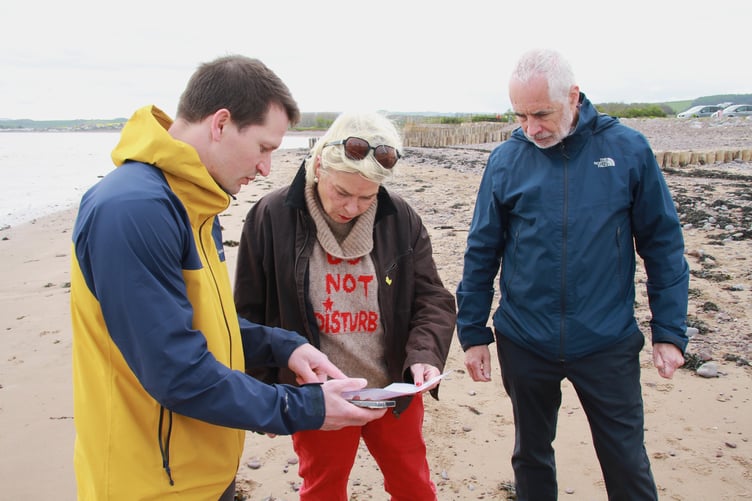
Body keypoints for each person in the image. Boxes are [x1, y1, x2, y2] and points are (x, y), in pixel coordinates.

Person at [70, 55, 387, 501]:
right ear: (220, 123)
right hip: (148, 483)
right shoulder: (133, 209)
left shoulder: (195, 202)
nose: (265, 169)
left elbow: (200, 324)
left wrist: (283, 345)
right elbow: (176, 372)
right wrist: (303, 408)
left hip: (201, 470)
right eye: (263, 148)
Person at [456, 48, 690, 500]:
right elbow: (481, 251)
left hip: (606, 340)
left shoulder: (628, 149)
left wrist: (669, 331)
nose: (532, 128)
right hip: (525, 339)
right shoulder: (506, 160)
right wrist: (473, 333)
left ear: (574, 96)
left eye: (542, 113)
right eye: (521, 115)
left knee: (625, 459)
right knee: (531, 456)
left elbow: (662, 244)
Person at [234, 111, 456, 500]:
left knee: (414, 486)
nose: (352, 207)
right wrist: (262, 389)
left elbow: (432, 298)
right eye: (342, 192)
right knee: (322, 489)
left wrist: (424, 355)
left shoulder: (400, 217)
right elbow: (248, 310)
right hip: (318, 395)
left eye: (366, 197)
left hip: (393, 389)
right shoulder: (270, 217)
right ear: (319, 164)